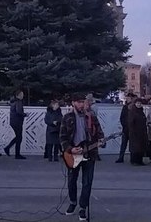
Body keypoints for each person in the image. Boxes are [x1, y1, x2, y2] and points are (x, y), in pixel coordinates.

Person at [60, 93, 104, 222]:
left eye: (82, 102)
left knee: (87, 182)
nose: (81, 105)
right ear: (73, 103)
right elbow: (62, 137)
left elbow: (99, 132)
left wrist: (101, 140)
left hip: (89, 152)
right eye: (78, 102)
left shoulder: (91, 117)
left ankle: (83, 207)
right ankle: (73, 202)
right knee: (71, 181)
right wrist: (70, 149)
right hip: (73, 153)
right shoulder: (67, 117)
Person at [4, 90, 27, 159]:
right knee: (19, 137)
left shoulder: (13, 102)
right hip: (17, 121)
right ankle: (16, 154)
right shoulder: (18, 102)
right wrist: (24, 114)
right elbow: (18, 111)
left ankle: (8, 148)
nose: (22, 96)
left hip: (13, 121)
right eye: (21, 94)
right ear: (18, 95)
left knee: (18, 137)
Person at [115, 93, 136, 163]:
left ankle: (132, 158)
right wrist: (124, 125)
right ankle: (121, 157)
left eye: (129, 98)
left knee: (132, 144)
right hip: (126, 128)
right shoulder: (125, 107)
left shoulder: (134, 107)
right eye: (127, 98)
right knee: (124, 144)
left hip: (132, 129)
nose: (128, 99)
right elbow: (122, 117)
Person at [127, 98, 148, 166]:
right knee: (135, 147)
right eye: (138, 103)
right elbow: (130, 123)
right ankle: (134, 161)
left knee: (141, 147)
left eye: (140, 103)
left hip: (142, 132)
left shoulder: (141, 111)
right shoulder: (132, 112)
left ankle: (140, 161)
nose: (139, 104)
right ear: (135, 104)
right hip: (135, 132)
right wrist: (132, 131)